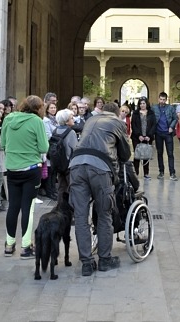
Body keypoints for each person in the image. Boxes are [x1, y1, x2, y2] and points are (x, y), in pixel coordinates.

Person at [68, 102, 132, 276]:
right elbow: (125, 155)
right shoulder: (118, 123)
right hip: (100, 168)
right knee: (104, 214)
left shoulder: (91, 120)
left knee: (81, 216)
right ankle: (105, 259)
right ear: (118, 113)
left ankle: (87, 263)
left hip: (76, 166)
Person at [2, 95, 49, 259]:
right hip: (30, 168)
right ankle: (26, 246)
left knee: (13, 206)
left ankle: (9, 244)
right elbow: (44, 147)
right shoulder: (36, 121)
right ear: (38, 108)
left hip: (12, 168)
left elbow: (3, 143)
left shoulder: (8, 119)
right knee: (27, 207)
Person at [51, 109, 78, 202]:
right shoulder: (71, 132)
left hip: (58, 164)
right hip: (69, 165)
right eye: (71, 118)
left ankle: (61, 206)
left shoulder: (55, 131)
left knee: (61, 188)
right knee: (73, 188)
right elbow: (75, 148)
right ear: (66, 121)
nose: (73, 119)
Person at [151, 92, 178, 180]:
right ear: (158, 99)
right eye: (161, 99)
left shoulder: (170, 108)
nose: (162, 101)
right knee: (159, 153)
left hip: (168, 133)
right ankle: (161, 172)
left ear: (166, 100)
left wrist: (171, 127)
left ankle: (172, 173)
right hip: (158, 133)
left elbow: (175, 118)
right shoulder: (154, 108)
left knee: (170, 153)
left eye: (164, 99)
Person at [130, 97, 156, 179]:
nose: (142, 105)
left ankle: (146, 173)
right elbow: (133, 125)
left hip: (148, 137)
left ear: (146, 104)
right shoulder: (135, 113)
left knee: (146, 155)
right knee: (137, 155)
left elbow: (153, 125)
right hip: (137, 137)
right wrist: (139, 135)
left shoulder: (151, 113)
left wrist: (149, 135)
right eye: (140, 103)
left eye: (144, 103)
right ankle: (136, 173)